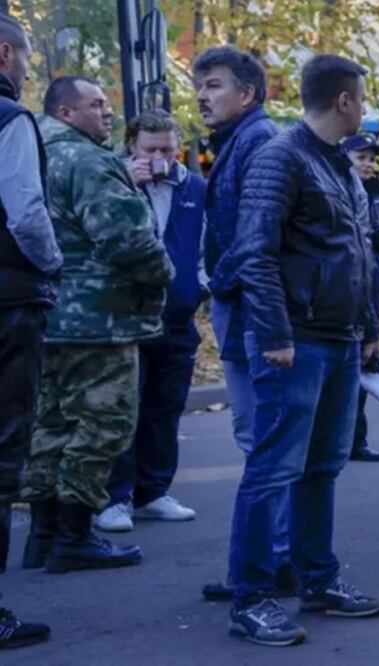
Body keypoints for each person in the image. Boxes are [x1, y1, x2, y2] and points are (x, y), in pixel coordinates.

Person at [227, 54, 379, 646]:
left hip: (339, 340)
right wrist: (273, 335)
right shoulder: (281, 157)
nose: (364, 109)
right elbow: (255, 252)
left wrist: (368, 326)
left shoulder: (339, 165)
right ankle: (251, 598)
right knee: (272, 470)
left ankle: (318, 580)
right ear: (344, 101)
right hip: (295, 342)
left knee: (321, 468)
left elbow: (357, 252)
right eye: (361, 99)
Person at [22, 76, 174, 574]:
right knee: (104, 425)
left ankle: (43, 534)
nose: (108, 113)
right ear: (67, 113)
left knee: (53, 423)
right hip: (98, 320)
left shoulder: (28, 150)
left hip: (44, 316)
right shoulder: (87, 160)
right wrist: (164, 276)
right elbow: (127, 239)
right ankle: (75, 536)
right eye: (97, 104)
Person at [192, 46, 293, 601]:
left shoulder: (258, 142)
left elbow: (254, 239)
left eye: (213, 85)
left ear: (247, 93)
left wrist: (216, 280)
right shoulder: (241, 142)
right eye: (200, 86)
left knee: (262, 442)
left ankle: (269, 564)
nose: (202, 96)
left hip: (254, 315)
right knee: (258, 439)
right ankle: (273, 558)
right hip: (245, 314)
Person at [94, 110, 206, 532]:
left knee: (165, 407)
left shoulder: (194, 187)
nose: (161, 157)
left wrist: (199, 288)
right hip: (126, 316)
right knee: (125, 407)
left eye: (168, 149)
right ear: (131, 147)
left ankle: (153, 491)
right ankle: (114, 498)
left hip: (177, 317)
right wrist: (129, 186)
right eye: (151, 149)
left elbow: (205, 244)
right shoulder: (114, 183)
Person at [0, 14, 56, 649]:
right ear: (4, 52)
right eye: (24, 58)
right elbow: (26, 211)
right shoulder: (10, 121)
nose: (25, 70)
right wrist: (52, 265)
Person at [342, 133, 379, 463]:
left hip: (370, 294)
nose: (367, 164)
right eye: (360, 158)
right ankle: (339, 438)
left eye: (371, 159)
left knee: (365, 363)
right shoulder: (337, 191)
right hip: (345, 292)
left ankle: (355, 440)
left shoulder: (376, 197)